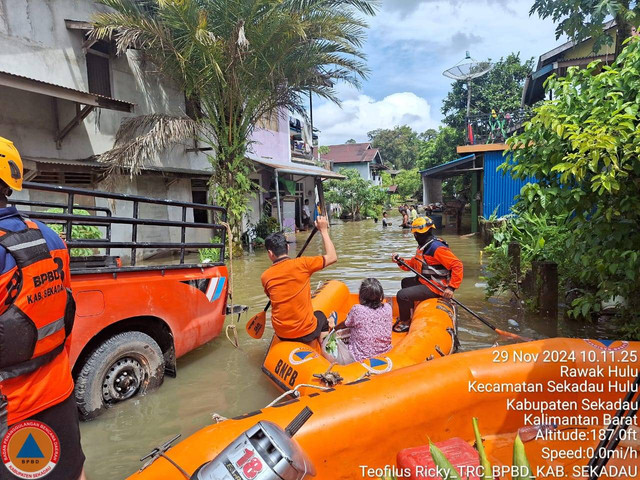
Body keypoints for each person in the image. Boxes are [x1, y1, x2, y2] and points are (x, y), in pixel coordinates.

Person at [0, 137, 86, 480]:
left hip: (11, 411)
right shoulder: (50, 237)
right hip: (58, 390)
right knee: (74, 470)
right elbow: (65, 310)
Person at [261, 215, 337, 346]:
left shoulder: (265, 276)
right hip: (305, 332)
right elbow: (332, 257)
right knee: (321, 316)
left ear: (270, 253)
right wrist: (323, 230)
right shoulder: (303, 264)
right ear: (288, 248)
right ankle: (326, 348)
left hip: (281, 333)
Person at [391, 216, 463, 332]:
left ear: (417, 235)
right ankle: (411, 312)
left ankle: (405, 322)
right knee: (405, 282)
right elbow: (414, 264)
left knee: (402, 295)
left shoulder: (436, 248)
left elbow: (457, 265)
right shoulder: (424, 246)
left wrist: (451, 288)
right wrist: (400, 261)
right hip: (425, 281)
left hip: (436, 286)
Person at [333, 278, 392, 362]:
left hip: (360, 356)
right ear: (380, 294)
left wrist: (334, 329)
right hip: (385, 353)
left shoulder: (357, 309)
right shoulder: (388, 307)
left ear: (361, 295)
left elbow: (345, 324)